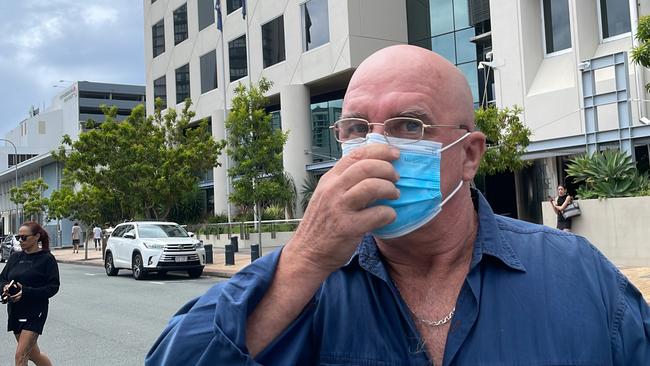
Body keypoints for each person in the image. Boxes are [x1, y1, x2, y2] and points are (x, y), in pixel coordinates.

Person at [146, 46, 649, 365]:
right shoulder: (304, 286)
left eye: (410, 125)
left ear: (469, 154)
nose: (376, 148)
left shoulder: (580, 279)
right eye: (358, 129)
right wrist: (307, 256)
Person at [1, 221, 59, 366]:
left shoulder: (47, 259)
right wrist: (5, 288)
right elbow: (2, 278)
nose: (20, 240)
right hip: (15, 311)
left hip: (35, 312)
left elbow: (53, 287)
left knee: (20, 355)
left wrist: (25, 292)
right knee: (33, 354)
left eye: (24, 237)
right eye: (18, 237)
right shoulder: (15, 257)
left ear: (36, 237)